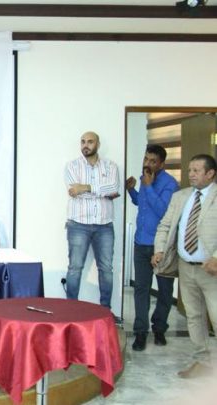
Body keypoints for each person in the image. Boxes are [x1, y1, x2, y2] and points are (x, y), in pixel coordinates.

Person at [153, 154, 217, 379]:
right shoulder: (180, 196)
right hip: (186, 268)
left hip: (212, 270)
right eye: (189, 170)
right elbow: (165, 225)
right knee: (194, 316)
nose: (191, 174)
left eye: (196, 171)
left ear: (210, 173)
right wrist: (159, 249)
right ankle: (203, 362)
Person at [126, 144, 178, 351]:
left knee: (165, 291)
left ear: (161, 164)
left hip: (162, 247)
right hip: (141, 244)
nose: (147, 164)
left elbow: (163, 211)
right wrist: (132, 190)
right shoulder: (144, 178)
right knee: (141, 289)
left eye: (152, 161)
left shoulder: (170, 184)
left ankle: (159, 329)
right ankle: (140, 332)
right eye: (146, 159)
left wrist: (148, 186)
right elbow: (142, 203)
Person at [64, 131, 120, 310]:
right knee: (75, 268)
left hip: (104, 225)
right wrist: (103, 192)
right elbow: (74, 191)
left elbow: (114, 188)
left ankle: (105, 310)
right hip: (78, 224)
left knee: (106, 269)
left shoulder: (111, 166)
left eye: (90, 142)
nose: (85, 145)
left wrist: (86, 187)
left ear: (98, 144)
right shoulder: (72, 166)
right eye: (83, 142)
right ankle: (71, 310)